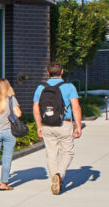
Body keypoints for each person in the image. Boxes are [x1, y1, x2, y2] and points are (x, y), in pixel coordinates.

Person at [33, 62, 82, 195]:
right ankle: (59, 175)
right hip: (64, 124)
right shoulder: (69, 87)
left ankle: (54, 177)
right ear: (62, 72)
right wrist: (78, 126)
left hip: (47, 125)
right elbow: (76, 107)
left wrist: (39, 126)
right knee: (68, 152)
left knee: (51, 154)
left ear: (48, 73)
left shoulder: (40, 88)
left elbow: (36, 108)